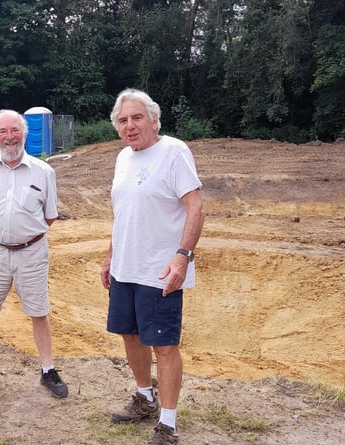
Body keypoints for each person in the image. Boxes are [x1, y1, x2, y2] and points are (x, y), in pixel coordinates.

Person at [100, 89, 205, 445]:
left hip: (159, 271)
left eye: (137, 118)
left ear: (154, 120)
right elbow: (123, 213)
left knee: (164, 346)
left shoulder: (174, 152)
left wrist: (182, 256)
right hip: (124, 268)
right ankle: (145, 396)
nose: (130, 126)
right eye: (123, 120)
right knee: (130, 337)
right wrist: (111, 256)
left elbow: (196, 207)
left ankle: (168, 424)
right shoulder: (122, 159)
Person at [0, 109, 68, 400]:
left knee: (38, 312)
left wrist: (24, 235)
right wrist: (3, 236)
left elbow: (51, 217)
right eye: (3, 132)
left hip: (32, 253)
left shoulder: (43, 172)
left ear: (25, 134)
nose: (9, 137)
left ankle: (48, 370)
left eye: (14, 131)